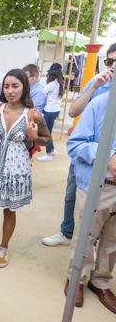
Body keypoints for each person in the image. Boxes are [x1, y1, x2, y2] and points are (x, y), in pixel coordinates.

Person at [41, 43, 116, 246]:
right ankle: (66, 232)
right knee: (71, 195)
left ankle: (93, 242)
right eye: (110, 61)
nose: (113, 66)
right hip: (84, 157)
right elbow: (73, 111)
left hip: (110, 167)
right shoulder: (98, 83)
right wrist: (93, 87)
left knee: (102, 214)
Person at [0, 69, 51, 267]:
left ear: (24, 87)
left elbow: (47, 139)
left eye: (15, 86)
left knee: (9, 210)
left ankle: (4, 247)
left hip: (16, 170)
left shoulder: (33, 114)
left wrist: (34, 137)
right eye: (7, 86)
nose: (10, 90)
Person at [64, 91, 116, 313]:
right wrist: (109, 155)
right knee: (86, 237)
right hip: (99, 185)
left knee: (113, 241)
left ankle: (101, 282)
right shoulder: (100, 104)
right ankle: (77, 279)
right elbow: (75, 144)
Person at [37, 63, 64, 162]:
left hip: (49, 110)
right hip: (56, 110)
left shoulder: (52, 84)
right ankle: (52, 150)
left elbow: (42, 92)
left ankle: (48, 154)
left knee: (46, 133)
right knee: (49, 131)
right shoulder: (61, 82)